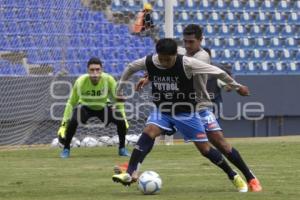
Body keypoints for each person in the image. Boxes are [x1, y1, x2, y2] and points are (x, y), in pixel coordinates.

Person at [116, 25, 262, 192]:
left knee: (219, 145)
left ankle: (249, 177)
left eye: (191, 42)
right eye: (185, 41)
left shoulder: (200, 57)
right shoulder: (175, 54)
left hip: (198, 106)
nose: (187, 45)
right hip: (169, 106)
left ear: (200, 40)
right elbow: (162, 65)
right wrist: (151, 75)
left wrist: (236, 86)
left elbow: (192, 70)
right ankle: (132, 168)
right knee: (150, 130)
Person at [57, 57, 130, 158]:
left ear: (101, 70)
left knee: (121, 121)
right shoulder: (81, 82)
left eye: (97, 70)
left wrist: (124, 118)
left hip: (103, 106)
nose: (95, 73)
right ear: (88, 71)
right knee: (73, 120)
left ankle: (122, 149)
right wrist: (63, 125)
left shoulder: (109, 80)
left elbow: (118, 99)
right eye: (92, 70)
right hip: (85, 107)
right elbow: (71, 103)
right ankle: (66, 149)